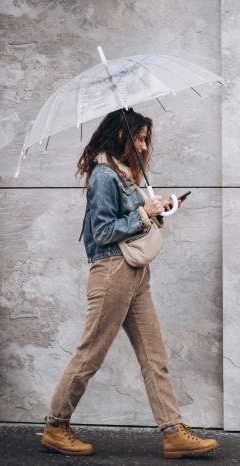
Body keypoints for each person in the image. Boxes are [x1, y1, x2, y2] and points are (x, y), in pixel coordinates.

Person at [38, 108, 219, 459]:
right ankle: (55, 426)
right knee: (91, 352)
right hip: (112, 271)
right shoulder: (104, 176)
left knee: (155, 356)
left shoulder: (125, 176)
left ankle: (172, 431)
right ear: (121, 136)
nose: (144, 144)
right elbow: (102, 231)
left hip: (136, 271)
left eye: (146, 138)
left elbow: (133, 223)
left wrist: (161, 210)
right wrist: (143, 213)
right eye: (139, 137)